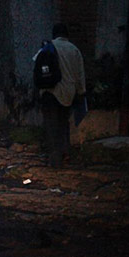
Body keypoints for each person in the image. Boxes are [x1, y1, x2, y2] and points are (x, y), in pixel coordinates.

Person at [39, 23, 86, 167]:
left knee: (51, 125)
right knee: (63, 124)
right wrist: (81, 92)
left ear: (54, 34)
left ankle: (54, 158)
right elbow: (80, 74)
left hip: (50, 92)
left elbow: (38, 67)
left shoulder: (48, 47)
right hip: (68, 93)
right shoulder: (74, 50)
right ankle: (65, 153)